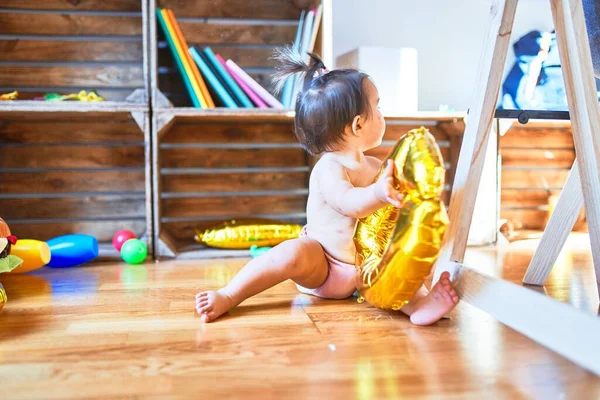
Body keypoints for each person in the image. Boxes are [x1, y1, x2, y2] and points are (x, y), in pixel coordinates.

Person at [195, 47, 458, 324]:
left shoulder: (371, 166)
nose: (382, 113)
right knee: (291, 252)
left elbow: (386, 212)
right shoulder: (329, 169)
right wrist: (379, 192)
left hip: (361, 268)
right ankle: (229, 294)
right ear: (358, 125)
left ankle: (419, 306)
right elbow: (349, 204)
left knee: (395, 265)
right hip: (324, 264)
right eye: (377, 106)